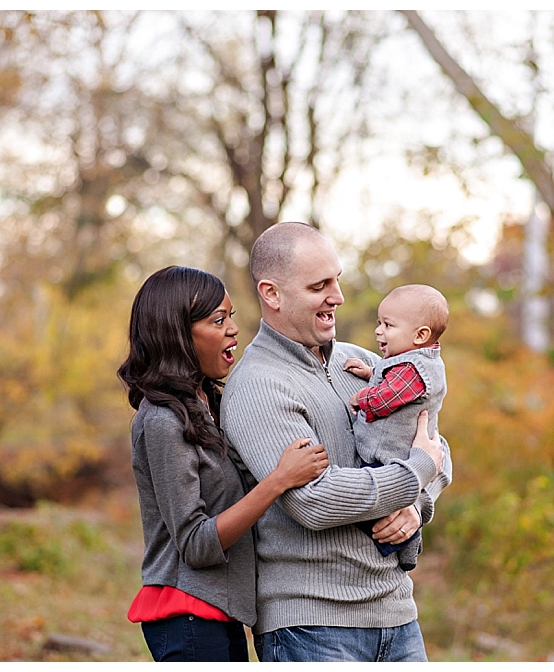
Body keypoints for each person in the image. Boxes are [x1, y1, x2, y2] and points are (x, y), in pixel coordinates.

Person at [221, 222, 452, 662]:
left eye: (337, 280)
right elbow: (315, 502)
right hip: (313, 627)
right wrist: (415, 474)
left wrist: (415, 503)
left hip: (398, 616)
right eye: (319, 286)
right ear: (272, 294)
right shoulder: (258, 386)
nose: (337, 297)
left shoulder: (366, 363)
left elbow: (436, 449)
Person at [117, 265, 329, 662]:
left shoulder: (211, 405)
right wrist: (278, 481)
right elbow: (196, 543)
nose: (233, 329)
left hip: (220, 613)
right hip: (187, 615)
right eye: (218, 320)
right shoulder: (162, 419)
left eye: (230, 316)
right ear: (178, 334)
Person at [342, 283, 449, 572]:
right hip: (399, 456)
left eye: (388, 325)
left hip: (393, 456)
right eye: (379, 323)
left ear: (420, 335)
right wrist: (369, 372)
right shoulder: (407, 361)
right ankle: (405, 544)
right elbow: (390, 380)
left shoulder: (416, 369)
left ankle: (406, 549)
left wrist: (360, 397)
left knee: (381, 515)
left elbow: (387, 398)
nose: (379, 331)